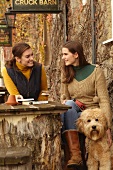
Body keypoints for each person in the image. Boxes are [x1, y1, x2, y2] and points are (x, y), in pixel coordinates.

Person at [60, 40, 112, 169]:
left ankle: (74, 157)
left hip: (92, 113)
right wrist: (64, 102)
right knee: (69, 104)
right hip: (76, 113)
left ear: (76, 54)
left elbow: (104, 99)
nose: (63, 57)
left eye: (66, 54)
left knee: (69, 106)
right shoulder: (66, 72)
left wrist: (107, 126)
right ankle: (76, 155)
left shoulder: (95, 71)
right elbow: (64, 98)